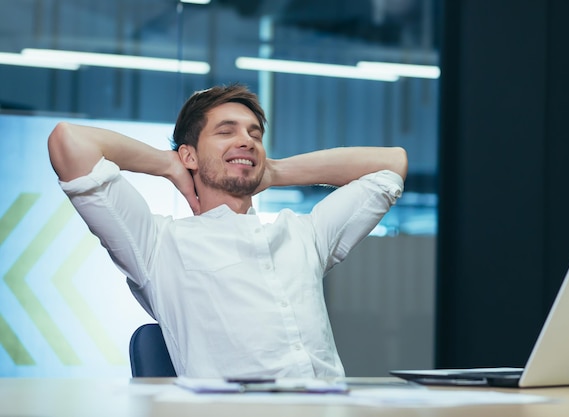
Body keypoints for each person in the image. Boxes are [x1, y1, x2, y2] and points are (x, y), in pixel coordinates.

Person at [47, 83, 408, 378]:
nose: (247, 141)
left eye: (255, 135)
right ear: (190, 156)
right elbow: (69, 142)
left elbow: (391, 166)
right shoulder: (157, 245)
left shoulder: (303, 235)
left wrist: (276, 171)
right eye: (226, 132)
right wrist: (168, 165)